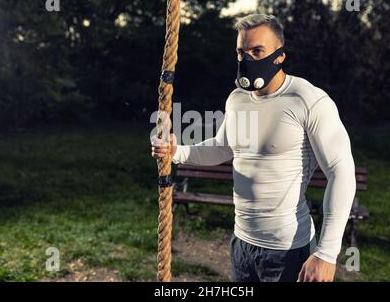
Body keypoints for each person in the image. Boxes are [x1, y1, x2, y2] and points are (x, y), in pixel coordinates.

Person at [151, 14, 356, 282]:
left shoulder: (308, 100)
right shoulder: (237, 98)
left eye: (257, 51)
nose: (247, 59)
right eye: (241, 52)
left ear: (280, 55)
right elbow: (223, 147)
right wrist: (177, 151)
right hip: (241, 244)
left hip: (287, 250)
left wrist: (327, 254)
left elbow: (342, 173)